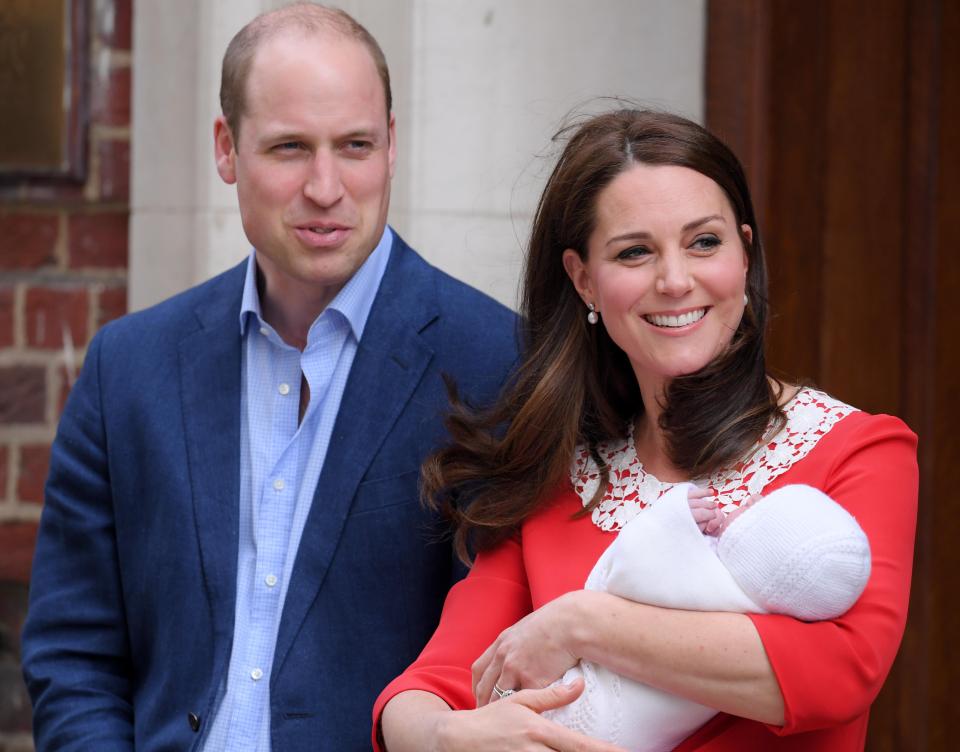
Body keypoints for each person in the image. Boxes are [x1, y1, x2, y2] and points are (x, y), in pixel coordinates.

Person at [21, 4, 517, 751]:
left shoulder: (498, 363)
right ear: (227, 149)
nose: (326, 186)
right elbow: (73, 652)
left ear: (391, 146)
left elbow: (498, 665)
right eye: (290, 148)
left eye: (355, 145)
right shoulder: (129, 368)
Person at [375, 109, 918, 751]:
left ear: (745, 253)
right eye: (635, 252)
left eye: (704, 242)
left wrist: (585, 623)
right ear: (584, 280)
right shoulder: (559, 477)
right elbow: (429, 687)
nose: (675, 280)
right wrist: (443, 738)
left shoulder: (858, 451)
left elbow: (842, 670)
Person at [543, 482, 872, 751]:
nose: (752, 497)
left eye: (759, 509)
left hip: (592, 715)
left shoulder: (714, 588)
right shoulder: (763, 613)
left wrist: (675, 517)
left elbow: (627, 571)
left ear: (756, 548)